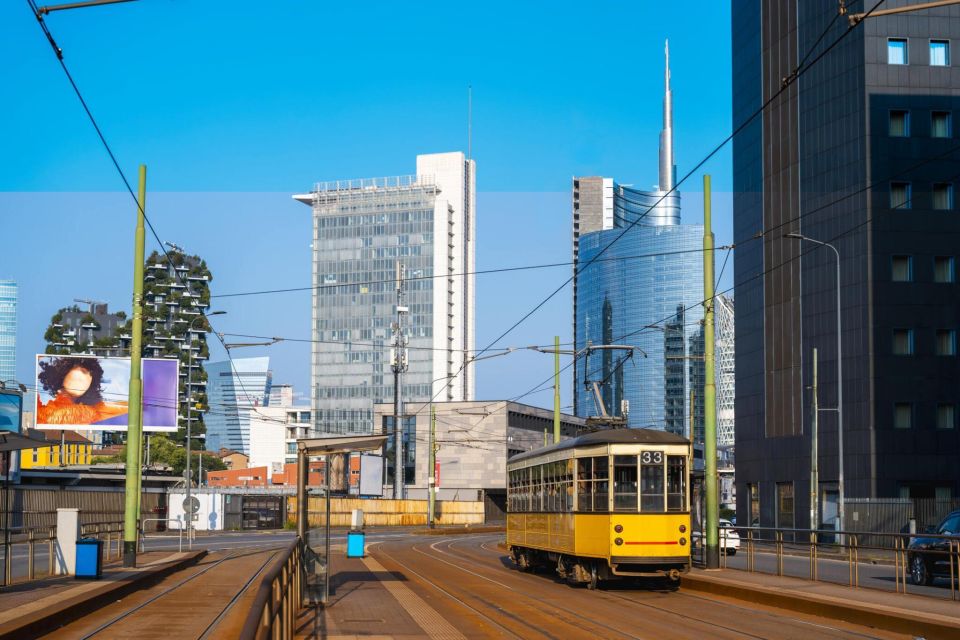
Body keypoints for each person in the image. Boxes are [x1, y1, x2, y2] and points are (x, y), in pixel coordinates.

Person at [36, 357, 126, 425]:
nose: (85, 379)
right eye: (83, 371)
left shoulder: (97, 410)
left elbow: (130, 409)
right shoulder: (44, 413)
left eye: (90, 375)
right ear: (64, 373)